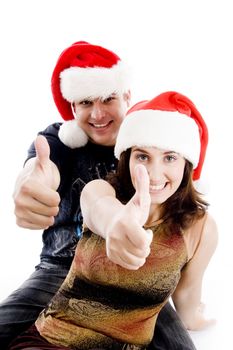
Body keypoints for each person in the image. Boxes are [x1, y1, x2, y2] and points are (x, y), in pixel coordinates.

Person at [0, 40, 197, 350]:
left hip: (136, 281)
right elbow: (41, 169)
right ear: (72, 108)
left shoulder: (145, 146)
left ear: (127, 97)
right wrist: (30, 184)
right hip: (60, 270)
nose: (98, 113)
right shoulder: (59, 141)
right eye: (85, 102)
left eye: (108, 98)